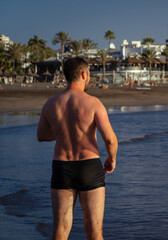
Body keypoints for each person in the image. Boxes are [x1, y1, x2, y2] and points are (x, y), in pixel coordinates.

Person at [37, 57, 118, 240]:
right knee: (94, 231)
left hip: (62, 167)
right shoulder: (93, 103)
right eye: (88, 75)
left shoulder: (51, 104)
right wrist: (111, 158)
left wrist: (64, 132)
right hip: (89, 167)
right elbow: (110, 140)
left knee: (60, 230)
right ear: (83, 74)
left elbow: (41, 136)